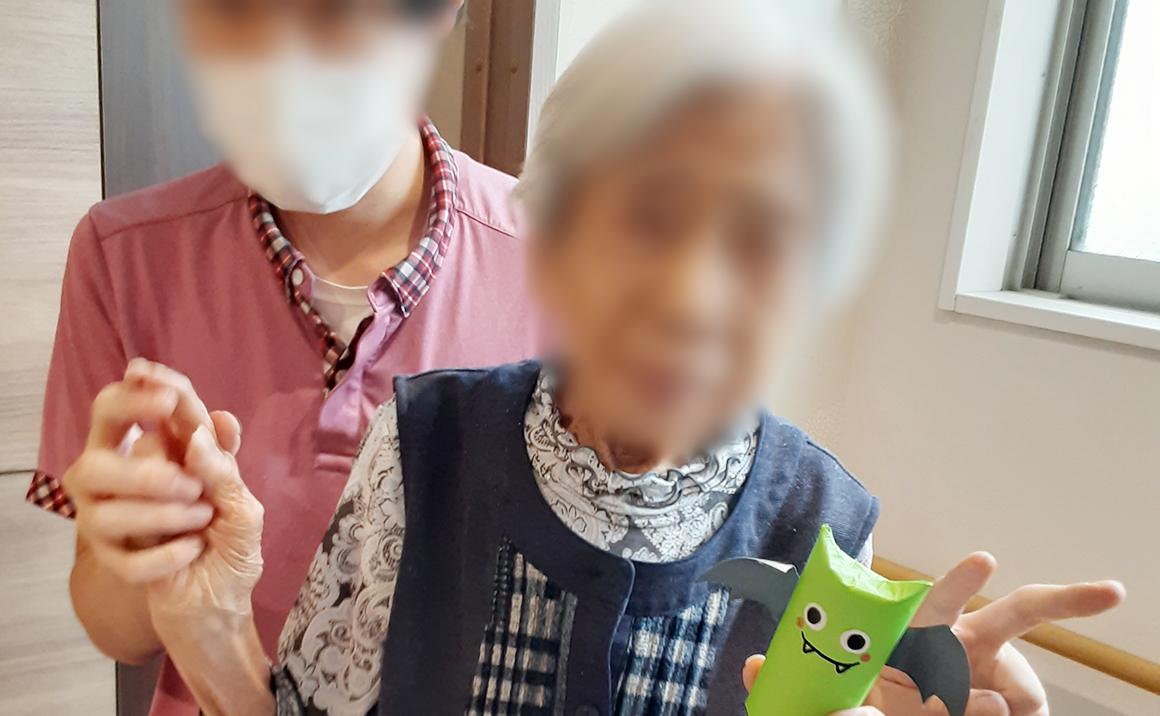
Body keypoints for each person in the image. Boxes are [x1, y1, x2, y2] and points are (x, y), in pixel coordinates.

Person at [73, 2, 1124, 716]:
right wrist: (208, 629)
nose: (692, 295)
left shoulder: (822, 522)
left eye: (763, 242)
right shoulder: (428, 441)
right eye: (646, 221)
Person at [26, 1, 545, 714]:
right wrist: (143, 547)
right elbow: (116, 631)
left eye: (331, 12)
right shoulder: (123, 256)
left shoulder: (564, 264)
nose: (279, 57)